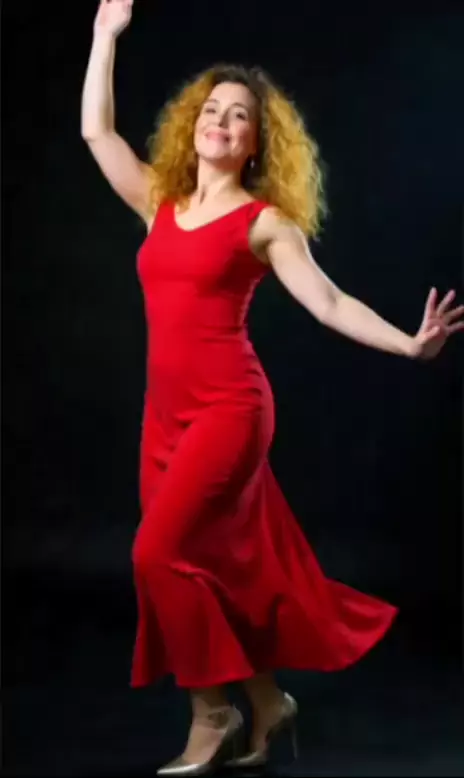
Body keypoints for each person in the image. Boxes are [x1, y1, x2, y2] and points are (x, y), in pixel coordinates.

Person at [81, 1, 463, 774]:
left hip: (230, 410)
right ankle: (267, 701)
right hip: (165, 418)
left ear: (255, 141)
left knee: (155, 553)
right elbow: (98, 133)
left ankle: (212, 713)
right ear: (192, 124)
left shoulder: (264, 223)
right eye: (211, 109)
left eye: (239, 116)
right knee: (210, 565)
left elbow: (328, 302)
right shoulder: (161, 202)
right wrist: (103, 38)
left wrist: (408, 343)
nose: (221, 122)